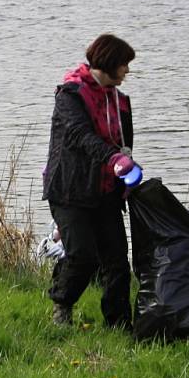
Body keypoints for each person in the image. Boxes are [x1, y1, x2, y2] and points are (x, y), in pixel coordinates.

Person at [42, 33, 138, 328]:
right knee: (83, 256)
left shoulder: (120, 101)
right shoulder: (70, 95)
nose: (127, 71)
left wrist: (127, 173)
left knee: (118, 262)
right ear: (109, 62)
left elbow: (124, 144)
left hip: (106, 191)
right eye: (124, 64)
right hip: (69, 188)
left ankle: (119, 324)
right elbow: (79, 136)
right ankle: (62, 303)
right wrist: (113, 159)